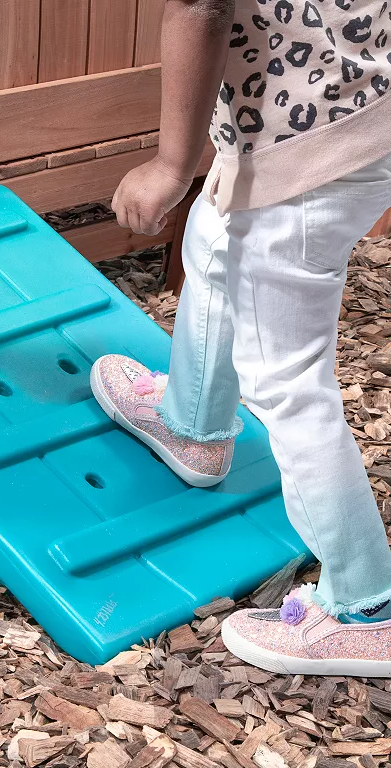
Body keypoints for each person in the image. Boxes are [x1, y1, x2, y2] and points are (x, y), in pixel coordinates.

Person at [92, 0, 391, 676]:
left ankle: (366, 605)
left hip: (305, 146)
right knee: (216, 236)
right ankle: (192, 426)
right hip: (351, 102)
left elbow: (200, 5)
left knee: (286, 380)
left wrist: (171, 164)